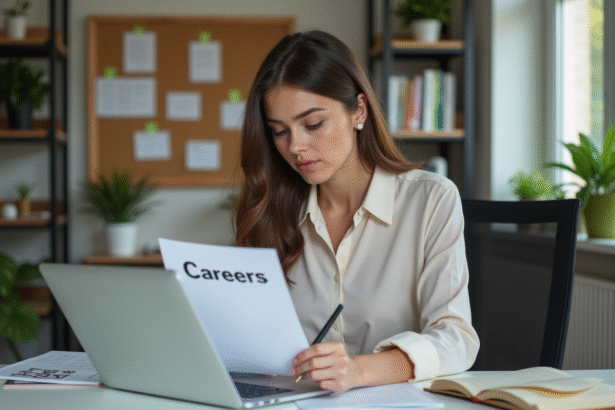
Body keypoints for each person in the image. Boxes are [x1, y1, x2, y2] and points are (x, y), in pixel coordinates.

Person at [235, 30, 479, 393]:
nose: (296, 147)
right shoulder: (271, 209)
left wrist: (359, 371)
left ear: (358, 111)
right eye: (279, 131)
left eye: (313, 124)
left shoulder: (430, 200)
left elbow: (456, 339)